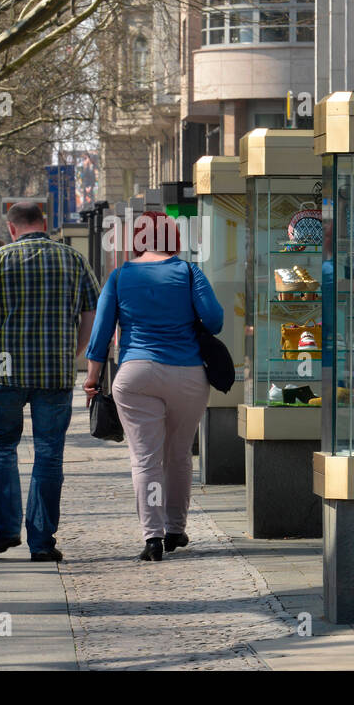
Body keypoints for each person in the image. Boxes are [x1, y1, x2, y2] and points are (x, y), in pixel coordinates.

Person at [0, 202, 99, 562]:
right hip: (55, 371)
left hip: (7, 370)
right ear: (45, 223)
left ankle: (6, 530)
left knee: (1, 446)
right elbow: (92, 311)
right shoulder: (73, 259)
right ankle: (41, 542)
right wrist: (78, 350)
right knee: (49, 454)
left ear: (11, 228)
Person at [84, 213, 222, 562]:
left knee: (145, 459)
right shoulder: (190, 273)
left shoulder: (119, 277)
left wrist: (91, 377)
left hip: (136, 375)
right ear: (174, 238)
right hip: (188, 375)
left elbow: (100, 334)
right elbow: (216, 321)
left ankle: (153, 538)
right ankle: (176, 528)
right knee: (178, 455)